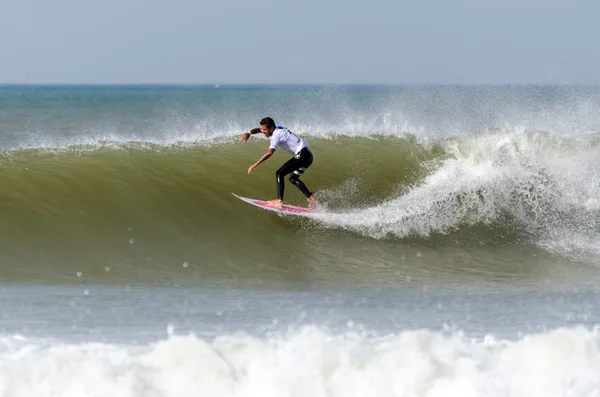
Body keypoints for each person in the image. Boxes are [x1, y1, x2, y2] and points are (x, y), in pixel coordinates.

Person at [239, 117, 317, 209]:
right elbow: (258, 130)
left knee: (279, 173)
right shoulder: (278, 128)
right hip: (308, 156)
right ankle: (311, 198)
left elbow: (270, 152)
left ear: (271, 128)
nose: (263, 132)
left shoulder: (276, 136)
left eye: (265, 130)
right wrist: (249, 133)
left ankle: (279, 200)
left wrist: (255, 164)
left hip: (302, 155)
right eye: (263, 129)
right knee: (293, 178)